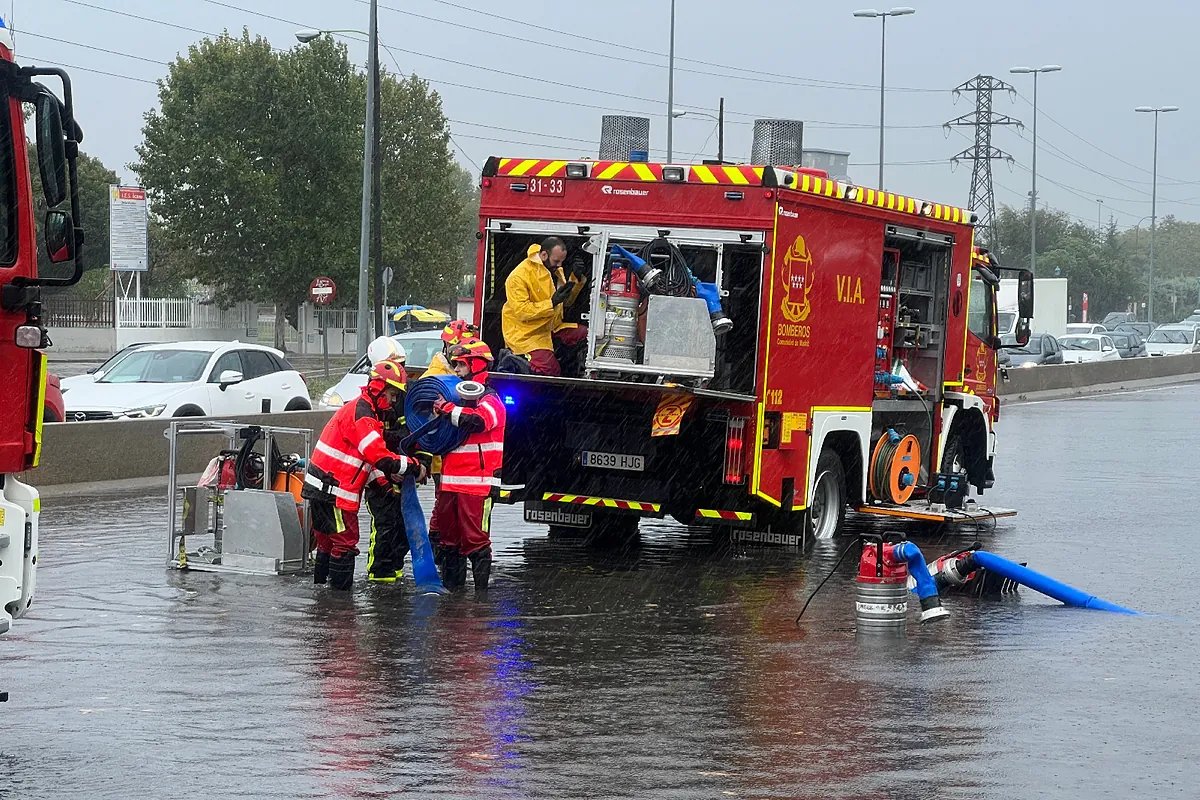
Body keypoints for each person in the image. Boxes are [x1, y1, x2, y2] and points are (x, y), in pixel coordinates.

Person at [303, 359, 427, 590]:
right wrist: (414, 466)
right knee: (345, 544)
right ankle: (340, 603)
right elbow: (379, 456)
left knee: (327, 543)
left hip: (323, 486)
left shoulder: (363, 410)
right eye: (391, 395)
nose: (393, 402)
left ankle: (322, 597)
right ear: (379, 388)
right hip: (334, 490)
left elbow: (365, 461)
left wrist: (384, 484)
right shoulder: (364, 415)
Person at [430, 340, 506, 593]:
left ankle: (481, 597)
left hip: (477, 485)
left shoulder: (491, 400)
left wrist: (447, 409)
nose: (456, 370)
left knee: (476, 540)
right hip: (450, 484)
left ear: (476, 365)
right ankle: (453, 594)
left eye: (461, 364)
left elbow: (478, 422)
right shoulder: (455, 401)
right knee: (449, 540)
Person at [502, 237, 587, 376]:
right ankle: (516, 362)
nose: (559, 265)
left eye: (561, 261)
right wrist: (551, 302)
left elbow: (565, 303)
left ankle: (573, 372)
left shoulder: (552, 270)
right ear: (543, 255)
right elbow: (522, 312)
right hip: (527, 335)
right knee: (550, 370)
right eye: (556, 261)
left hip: (551, 328)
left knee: (587, 337)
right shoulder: (519, 276)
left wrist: (575, 278)